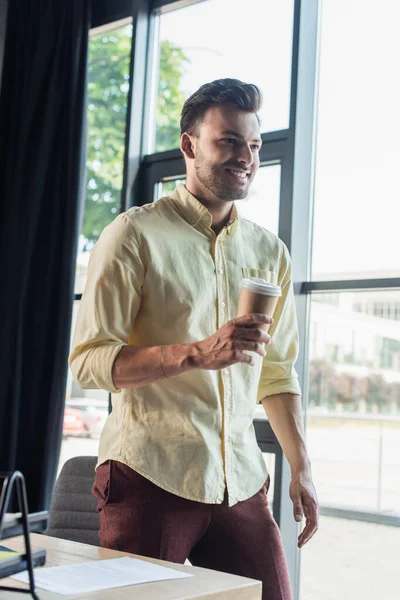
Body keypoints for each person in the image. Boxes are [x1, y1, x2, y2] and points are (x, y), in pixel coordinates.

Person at [69, 78, 319, 600]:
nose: (245, 157)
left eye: (253, 145)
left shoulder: (269, 251)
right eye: (227, 141)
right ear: (189, 145)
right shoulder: (133, 235)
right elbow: (89, 362)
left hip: (241, 480)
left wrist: (302, 467)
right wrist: (198, 354)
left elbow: (276, 371)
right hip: (148, 473)